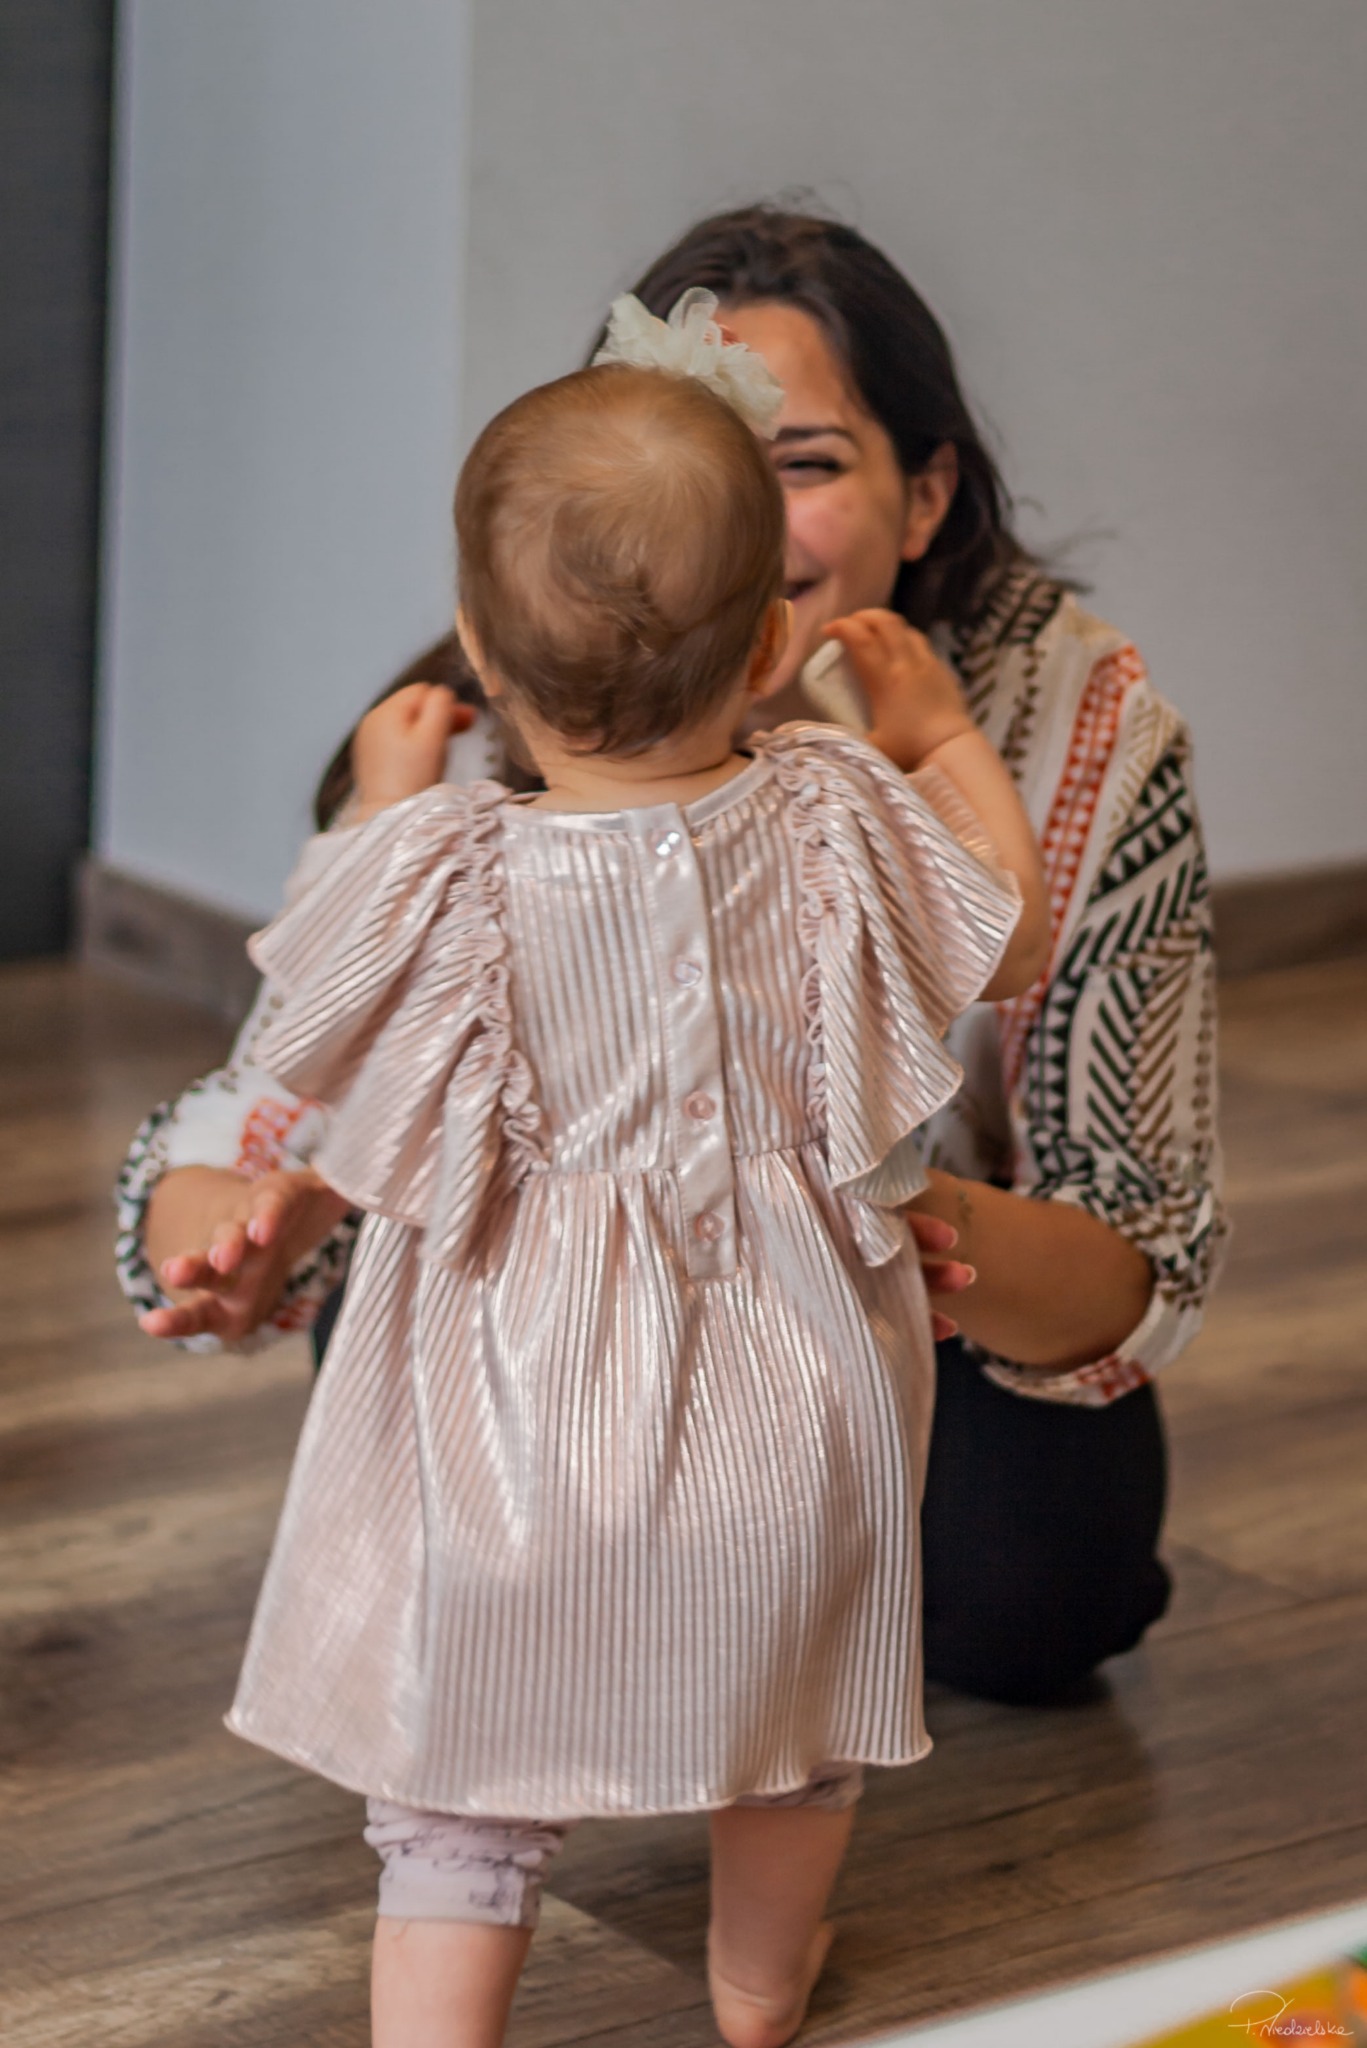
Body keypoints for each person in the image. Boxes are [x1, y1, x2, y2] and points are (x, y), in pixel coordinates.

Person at [116, 204, 1226, 1707]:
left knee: (1040, 1590)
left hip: (891, 1329)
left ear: (926, 495)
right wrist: (235, 1240)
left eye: (806, 466)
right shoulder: (483, 733)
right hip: (572, 1343)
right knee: (391, 1266)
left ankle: (761, 1706)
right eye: (693, 461)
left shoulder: (1047, 732)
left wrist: (899, 1215)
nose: (738, 532)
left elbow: (1124, 1235)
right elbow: (287, 1088)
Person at [221, 310, 1048, 2048]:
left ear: (476, 645)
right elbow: (1006, 928)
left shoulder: (444, 863)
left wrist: (376, 799)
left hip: (510, 1411)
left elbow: (311, 1011)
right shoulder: (832, 806)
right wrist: (943, 733)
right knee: (801, 1720)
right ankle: (758, 1992)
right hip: (796, 1387)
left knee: (460, 1784)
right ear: (769, 647)